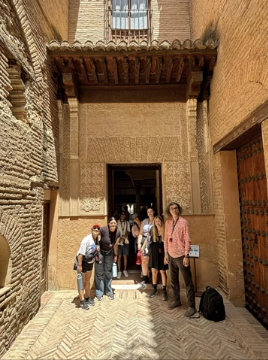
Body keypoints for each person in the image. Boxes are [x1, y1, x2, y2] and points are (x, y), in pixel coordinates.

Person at [164, 202, 196, 317]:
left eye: (176, 208)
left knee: (187, 282)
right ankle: (177, 300)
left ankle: (192, 306)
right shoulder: (168, 223)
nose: (174, 210)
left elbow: (187, 239)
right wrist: (166, 254)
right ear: (169, 211)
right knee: (173, 281)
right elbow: (166, 239)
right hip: (171, 255)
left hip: (182, 255)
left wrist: (187, 255)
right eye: (172, 208)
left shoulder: (183, 222)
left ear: (179, 209)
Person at [94, 217, 120, 301]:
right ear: (108, 223)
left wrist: (115, 255)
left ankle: (109, 291)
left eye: (114, 223)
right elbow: (95, 236)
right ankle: (99, 292)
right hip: (100, 253)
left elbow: (116, 245)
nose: (113, 224)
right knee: (99, 272)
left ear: (116, 224)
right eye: (111, 223)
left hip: (109, 253)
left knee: (108, 272)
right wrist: (96, 248)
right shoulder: (103, 230)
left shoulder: (118, 232)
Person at [76, 224, 101, 310]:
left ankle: (87, 297)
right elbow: (80, 254)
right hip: (83, 263)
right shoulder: (86, 240)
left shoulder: (96, 239)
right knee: (82, 281)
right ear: (91, 230)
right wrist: (79, 266)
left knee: (87, 280)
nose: (96, 230)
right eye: (94, 228)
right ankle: (82, 301)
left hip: (90, 262)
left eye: (98, 229)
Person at [149, 216, 168, 301]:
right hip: (154, 253)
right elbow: (148, 241)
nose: (157, 222)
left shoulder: (165, 230)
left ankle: (164, 290)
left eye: (159, 221)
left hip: (163, 253)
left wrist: (166, 255)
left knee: (163, 271)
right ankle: (155, 288)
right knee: (154, 271)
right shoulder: (152, 230)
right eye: (156, 221)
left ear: (161, 221)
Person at [138, 207, 155, 284]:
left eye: (151, 211)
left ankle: (154, 277)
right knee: (144, 260)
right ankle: (145, 277)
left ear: (154, 212)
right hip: (144, 241)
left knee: (153, 260)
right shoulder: (144, 221)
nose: (150, 213)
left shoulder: (156, 220)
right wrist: (139, 243)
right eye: (148, 212)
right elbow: (141, 233)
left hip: (154, 241)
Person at [117, 211, 130, 278]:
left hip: (125, 241)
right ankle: (119, 271)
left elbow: (128, 231)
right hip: (118, 242)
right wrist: (119, 238)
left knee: (125, 256)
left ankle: (125, 270)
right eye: (122, 214)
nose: (123, 215)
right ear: (120, 215)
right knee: (119, 257)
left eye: (124, 214)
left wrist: (125, 236)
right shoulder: (117, 222)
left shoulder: (127, 223)